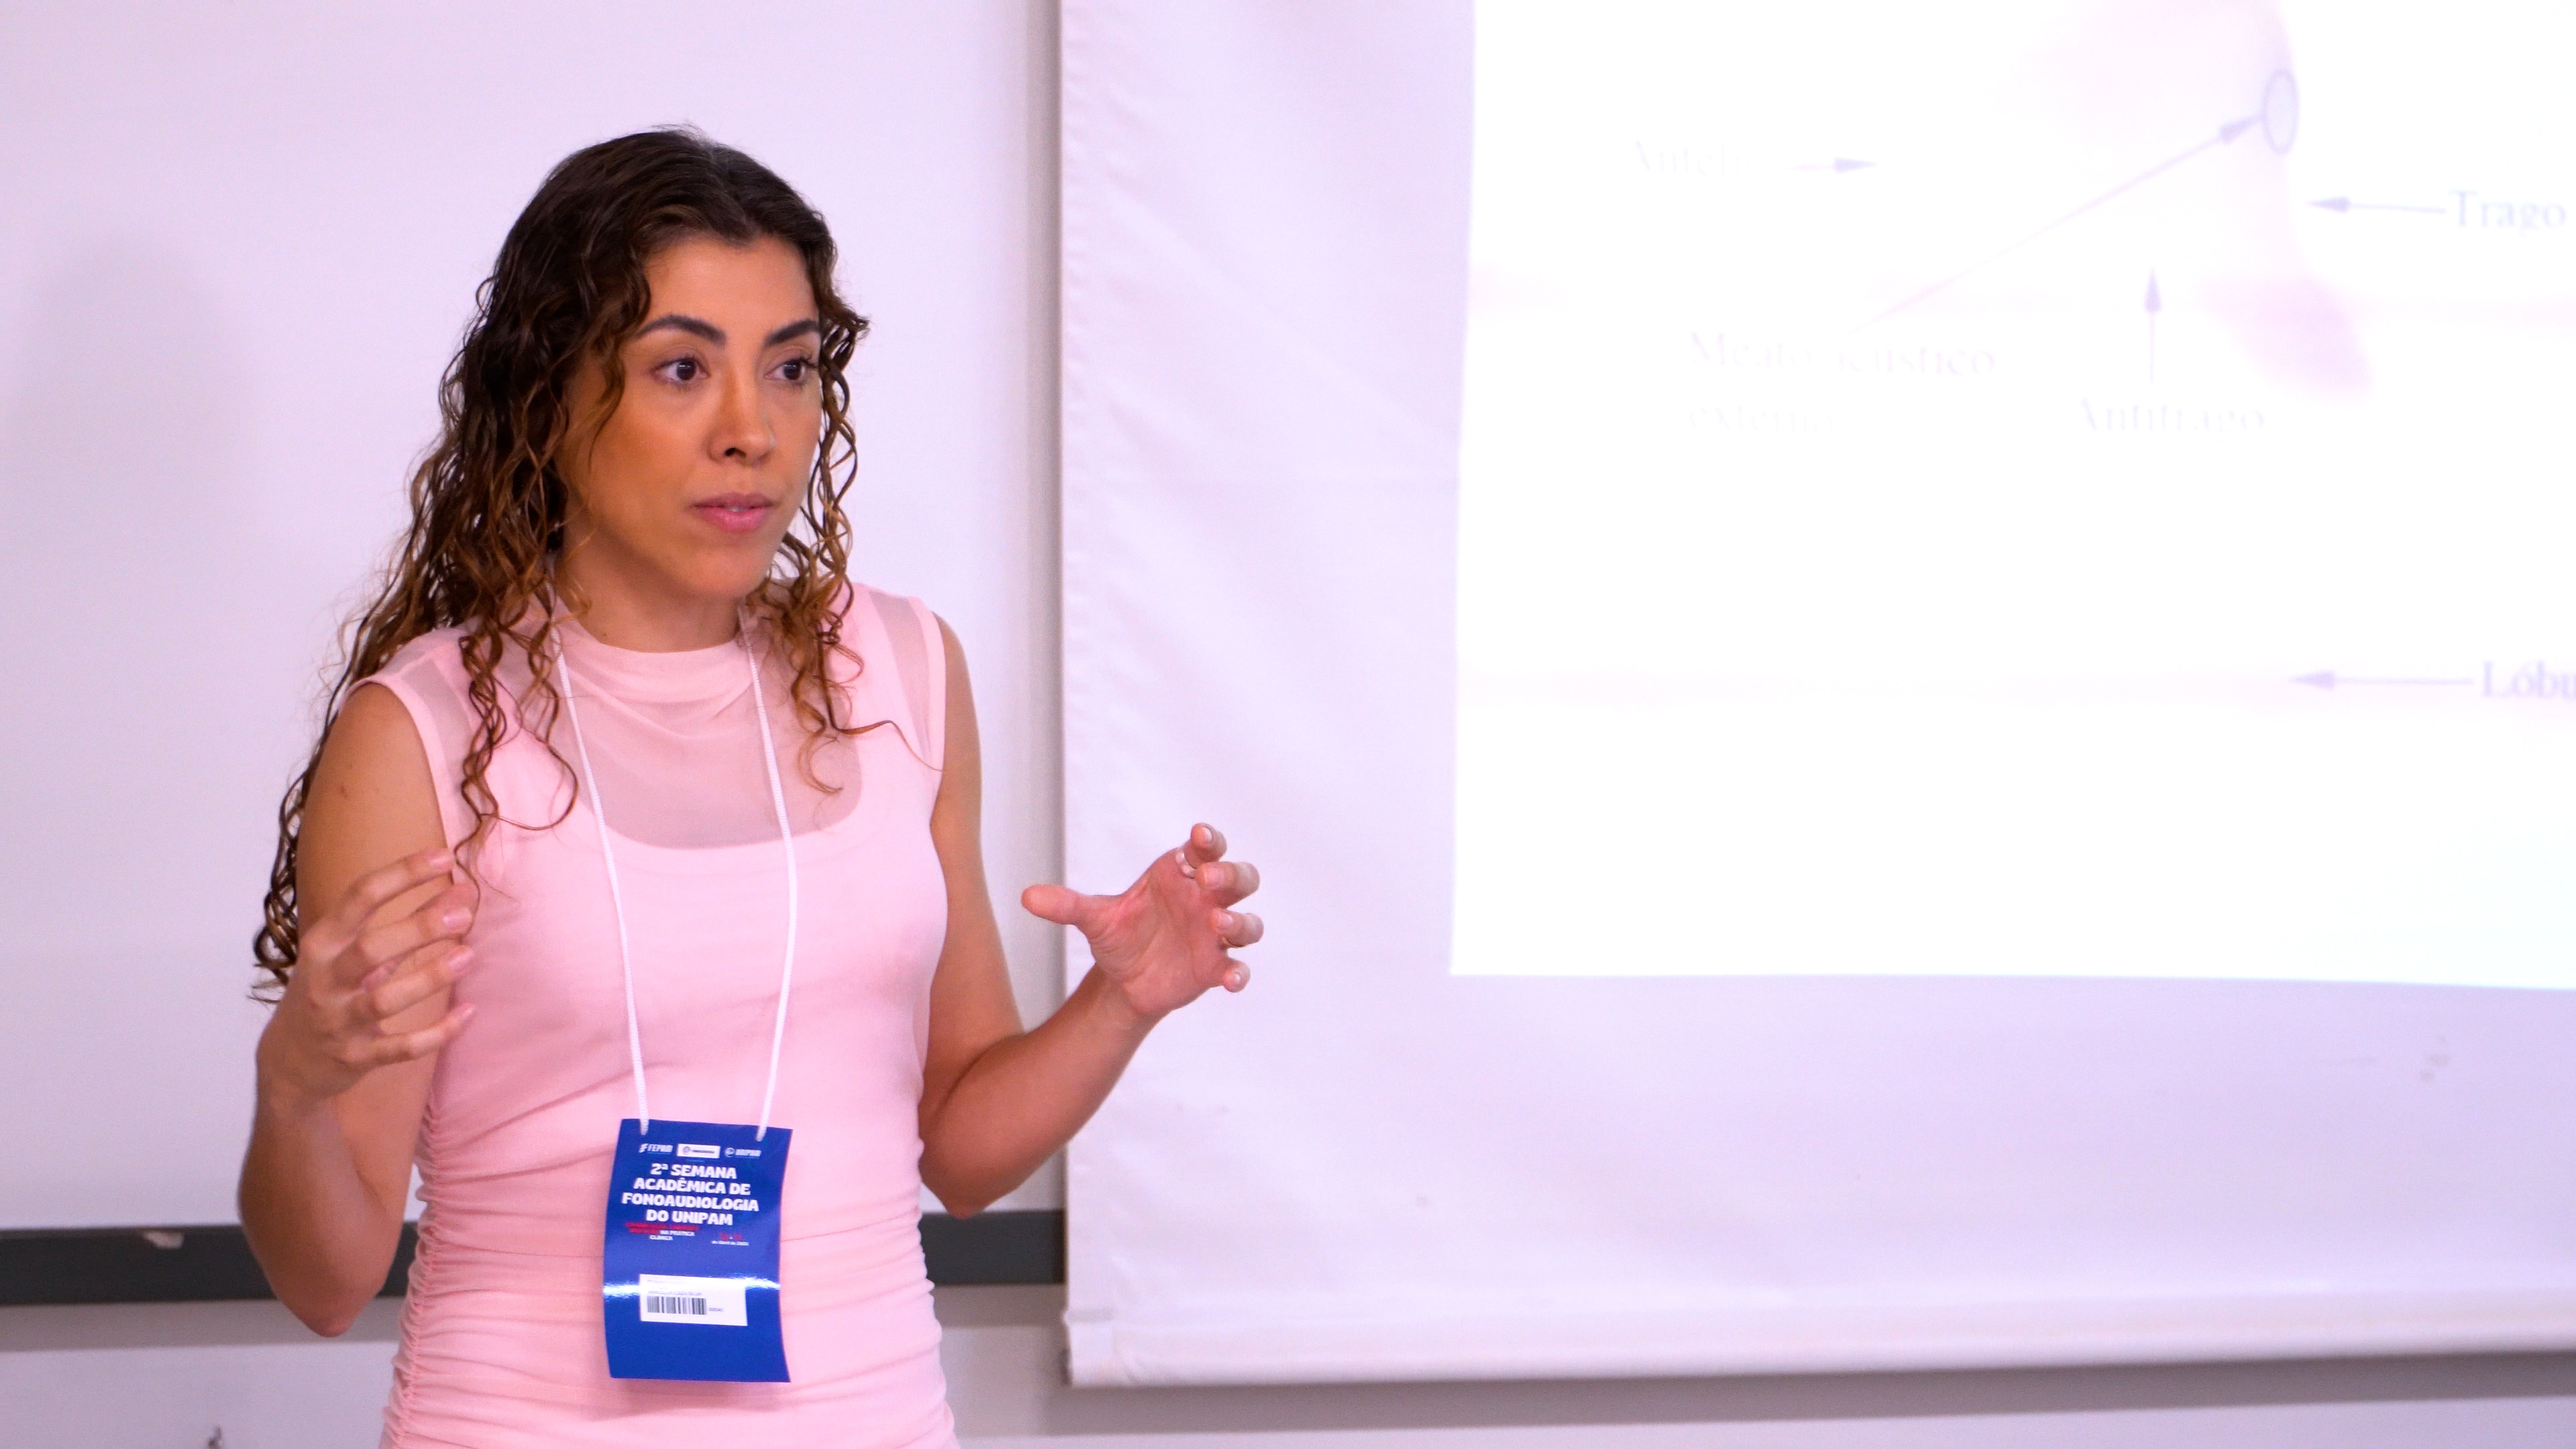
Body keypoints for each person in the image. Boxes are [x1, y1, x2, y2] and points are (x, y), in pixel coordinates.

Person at [235, 128, 1262, 1447]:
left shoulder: (902, 672)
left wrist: (1118, 1006)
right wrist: (294, 1086)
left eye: (790, 368)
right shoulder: (426, 733)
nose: (752, 431)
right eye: (682, 369)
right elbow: (325, 1282)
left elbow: (960, 1152)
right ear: (550, 400)